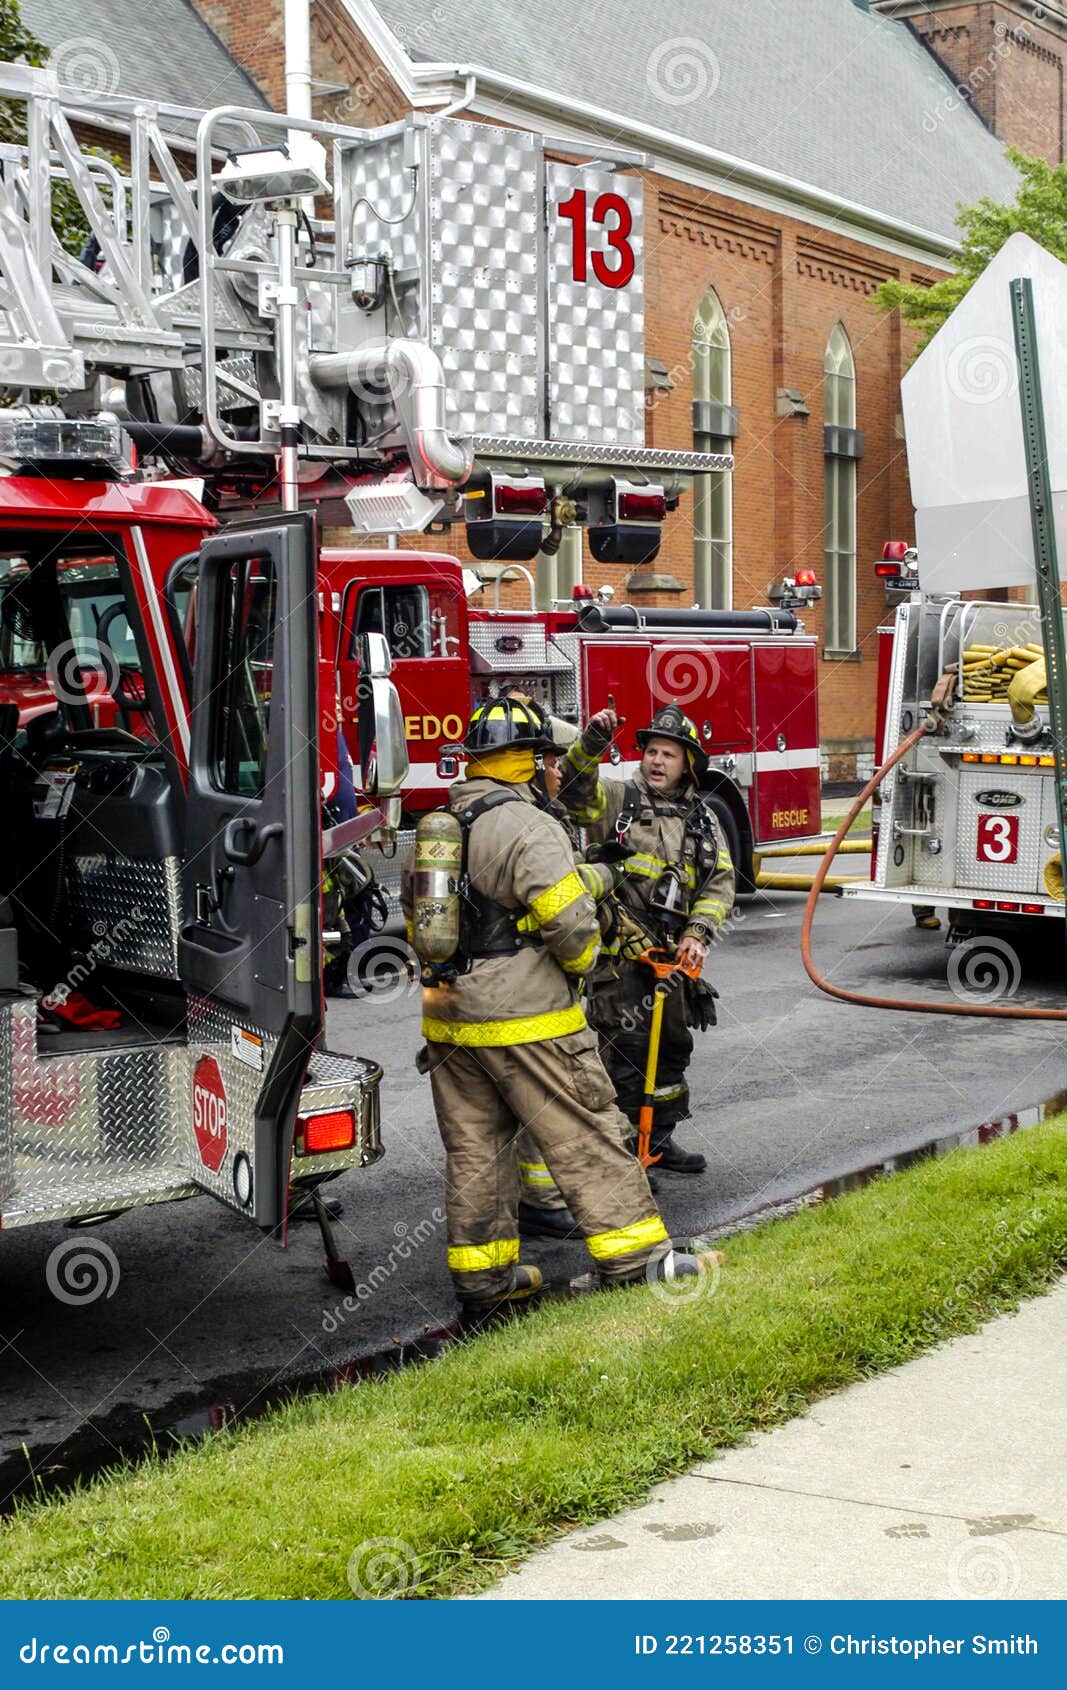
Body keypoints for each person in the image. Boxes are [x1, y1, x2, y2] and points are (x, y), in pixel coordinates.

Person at [404, 696, 704, 1312]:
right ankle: (637, 1261)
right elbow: (570, 926)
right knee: (586, 1130)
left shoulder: (443, 823)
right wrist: (585, 964)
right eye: (546, 761)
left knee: (476, 1152)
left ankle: (485, 1284)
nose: (553, 772)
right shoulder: (527, 825)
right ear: (524, 764)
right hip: (526, 1020)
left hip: (449, 1022)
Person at [558, 702, 735, 1175]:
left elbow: (720, 882)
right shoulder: (618, 800)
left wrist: (698, 933)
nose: (656, 761)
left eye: (668, 755)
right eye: (652, 752)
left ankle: (658, 1141)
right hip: (620, 962)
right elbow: (574, 792)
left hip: (672, 961)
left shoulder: (702, 818)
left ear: (688, 763)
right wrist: (592, 742)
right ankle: (621, 1161)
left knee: (673, 1050)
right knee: (626, 1056)